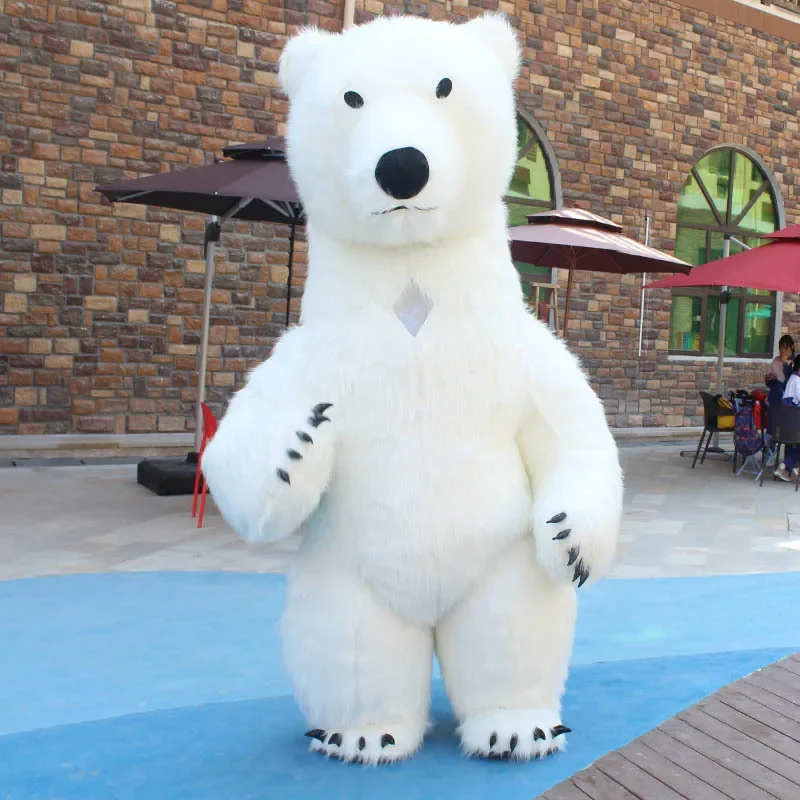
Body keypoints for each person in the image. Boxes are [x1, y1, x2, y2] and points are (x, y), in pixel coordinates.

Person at [774, 352, 800, 482]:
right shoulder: (797, 382)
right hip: (794, 429)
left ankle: (784, 467)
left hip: (785, 428)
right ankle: (793, 468)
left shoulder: (791, 380)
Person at [766, 334, 795, 408]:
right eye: (781, 349)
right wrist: (769, 379)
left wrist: (785, 364)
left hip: (788, 403)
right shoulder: (776, 360)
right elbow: (769, 382)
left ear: (791, 347)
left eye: (785, 348)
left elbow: (788, 382)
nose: (783, 352)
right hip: (774, 399)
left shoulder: (795, 362)